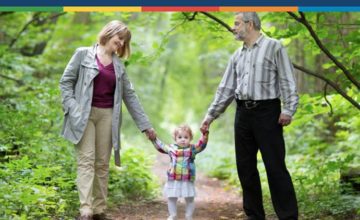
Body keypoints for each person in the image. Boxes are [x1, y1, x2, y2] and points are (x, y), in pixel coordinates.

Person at [200, 12, 299, 220]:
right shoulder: (237, 55)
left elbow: (287, 79)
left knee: (275, 167)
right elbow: (226, 89)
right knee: (245, 168)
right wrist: (210, 116)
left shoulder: (274, 47)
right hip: (242, 114)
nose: (233, 27)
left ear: (250, 24)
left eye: (236, 23)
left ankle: (288, 216)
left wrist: (288, 109)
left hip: (268, 113)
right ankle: (254, 216)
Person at [59, 20, 156, 220]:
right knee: (86, 161)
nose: (120, 43)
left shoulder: (119, 66)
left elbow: (130, 97)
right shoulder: (82, 54)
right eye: (119, 38)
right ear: (109, 33)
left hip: (107, 116)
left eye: (124, 41)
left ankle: (99, 210)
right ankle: (85, 210)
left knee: (102, 163)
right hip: (83, 115)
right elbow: (66, 82)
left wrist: (145, 126)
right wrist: (73, 108)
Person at [152, 125, 209, 220]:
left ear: (190, 138)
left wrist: (205, 134)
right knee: (171, 197)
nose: (183, 140)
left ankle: (189, 216)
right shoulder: (171, 148)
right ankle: (173, 215)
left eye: (186, 137)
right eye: (180, 137)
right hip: (174, 177)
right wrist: (154, 139)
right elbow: (161, 147)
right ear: (175, 138)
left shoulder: (192, 149)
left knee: (190, 197)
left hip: (187, 178)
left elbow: (202, 145)